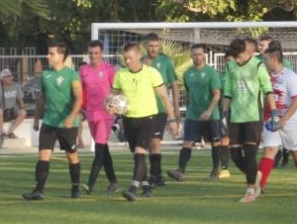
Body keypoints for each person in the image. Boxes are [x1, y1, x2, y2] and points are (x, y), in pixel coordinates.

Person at [112, 43, 179, 201]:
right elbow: (113, 95)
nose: (127, 61)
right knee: (137, 156)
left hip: (148, 119)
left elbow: (164, 97)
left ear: (138, 56)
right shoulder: (121, 75)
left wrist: (172, 120)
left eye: (130, 58)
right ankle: (146, 186)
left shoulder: (151, 73)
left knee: (140, 152)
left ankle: (133, 188)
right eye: (125, 58)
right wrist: (110, 104)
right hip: (129, 120)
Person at [22, 43, 85, 201]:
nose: (47, 56)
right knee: (43, 155)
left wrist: (71, 117)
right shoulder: (45, 75)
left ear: (61, 56)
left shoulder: (72, 75)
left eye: (51, 54)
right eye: (48, 53)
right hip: (49, 122)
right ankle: (38, 190)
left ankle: (75, 187)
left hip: (67, 124)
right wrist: (36, 119)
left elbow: (79, 98)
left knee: (72, 156)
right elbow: (42, 98)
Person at [221, 38, 272, 202]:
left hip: (253, 117)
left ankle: (250, 190)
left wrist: (274, 112)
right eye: (235, 57)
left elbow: (268, 90)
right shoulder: (230, 67)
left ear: (246, 51)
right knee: (235, 156)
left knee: (250, 155)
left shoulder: (258, 65)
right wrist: (224, 114)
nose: (237, 60)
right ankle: (255, 174)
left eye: (239, 56)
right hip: (236, 117)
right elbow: (228, 91)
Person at [168, 44, 224, 183]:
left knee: (215, 142)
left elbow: (217, 94)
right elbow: (188, 93)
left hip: (211, 115)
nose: (198, 57)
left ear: (204, 55)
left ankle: (215, 169)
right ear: (191, 56)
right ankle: (180, 170)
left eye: (200, 54)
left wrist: (209, 111)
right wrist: (185, 110)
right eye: (195, 54)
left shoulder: (211, 73)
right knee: (187, 142)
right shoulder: (188, 74)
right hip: (193, 115)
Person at [258, 45, 297, 191]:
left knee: (296, 151)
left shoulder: (290, 76)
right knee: (269, 149)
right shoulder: (266, 76)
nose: (264, 62)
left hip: (291, 120)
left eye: (266, 59)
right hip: (272, 119)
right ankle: (259, 186)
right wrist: (264, 118)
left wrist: (284, 119)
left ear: (274, 59)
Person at [80, 41, 119, 194]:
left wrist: (115, 107)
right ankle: (113, 182)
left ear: (101, 53)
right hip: (91, 114)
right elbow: (79, 92)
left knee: (99, 149)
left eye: (96, 53)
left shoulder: (108, 69)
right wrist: (80, 109)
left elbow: (117, 90)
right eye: (91, 53)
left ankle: (90, 184)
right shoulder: (83, 70)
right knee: (103, 150)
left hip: (105, 115)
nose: (93, 56)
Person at [143, 33, 179, 188]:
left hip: (160, 109)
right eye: (151, 46)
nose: (153, 49)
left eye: (156, 46)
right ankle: (156, 175)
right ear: (145, 46)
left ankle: (154, 175)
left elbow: (174, 85)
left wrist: (176, 108)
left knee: (155, 141)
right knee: (148, 143)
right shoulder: (141, 62)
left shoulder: (165, 62)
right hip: (144, 109)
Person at [0, 68, 26, 146]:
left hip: (13, 110)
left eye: (11, 76)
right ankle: (2, 132)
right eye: (8, 76)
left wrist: (22, 108)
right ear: (2, 78)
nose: (11, 78)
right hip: (1, 110)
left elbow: (20, 100)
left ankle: (10, 132)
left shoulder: (16, 86)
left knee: (23, 112)